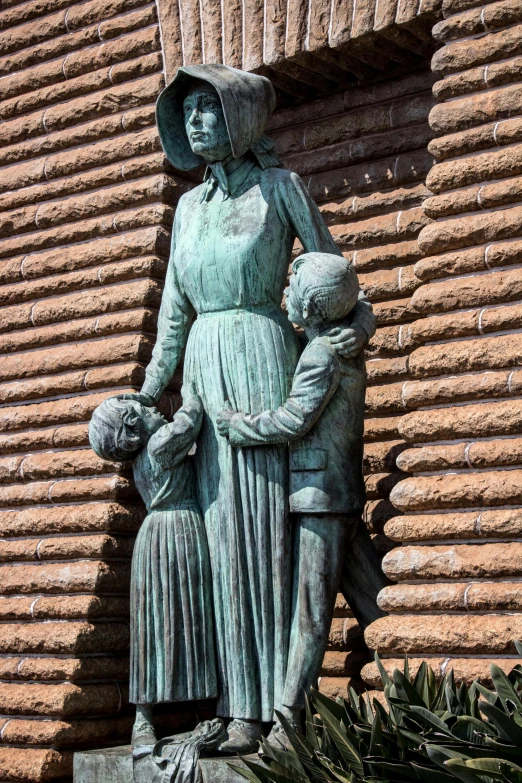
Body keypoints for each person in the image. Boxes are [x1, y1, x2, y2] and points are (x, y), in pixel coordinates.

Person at [123, 63, 376, 753]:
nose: (198, 121)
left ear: (241, 116)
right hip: (206, 378)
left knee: (268, 539)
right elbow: (173, 314)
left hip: (267, 362)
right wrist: (150, 392)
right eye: (190, 112)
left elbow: (340, 281)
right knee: (221, 545)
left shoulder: (281, 188)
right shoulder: (187, 210)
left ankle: (277, 712)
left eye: (210, 108)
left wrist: (351, 338)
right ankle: (237, 707)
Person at [217, 252, 383, 740]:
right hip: (340, 493)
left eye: (291, 289)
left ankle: (287, 725)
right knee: (372, 599)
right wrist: (364, 320)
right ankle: (418, 682)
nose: (283, 293)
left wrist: (238, 426)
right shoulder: (339, 343)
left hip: (319, 498)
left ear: (309, 306)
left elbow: (294, 419)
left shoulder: (321, 354)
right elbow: (359, 300)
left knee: (309, 614)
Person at [88, 389, 217, 749]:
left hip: (154, 538)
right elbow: (192, 413)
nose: (157, 411)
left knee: (154, 625)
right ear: (133, 424)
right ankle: (201, 708)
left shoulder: (140, 456)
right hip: (178, 531)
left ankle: (144, 720)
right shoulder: (161, 443)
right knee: (189, 614)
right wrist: (196, 379)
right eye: (145, 411)